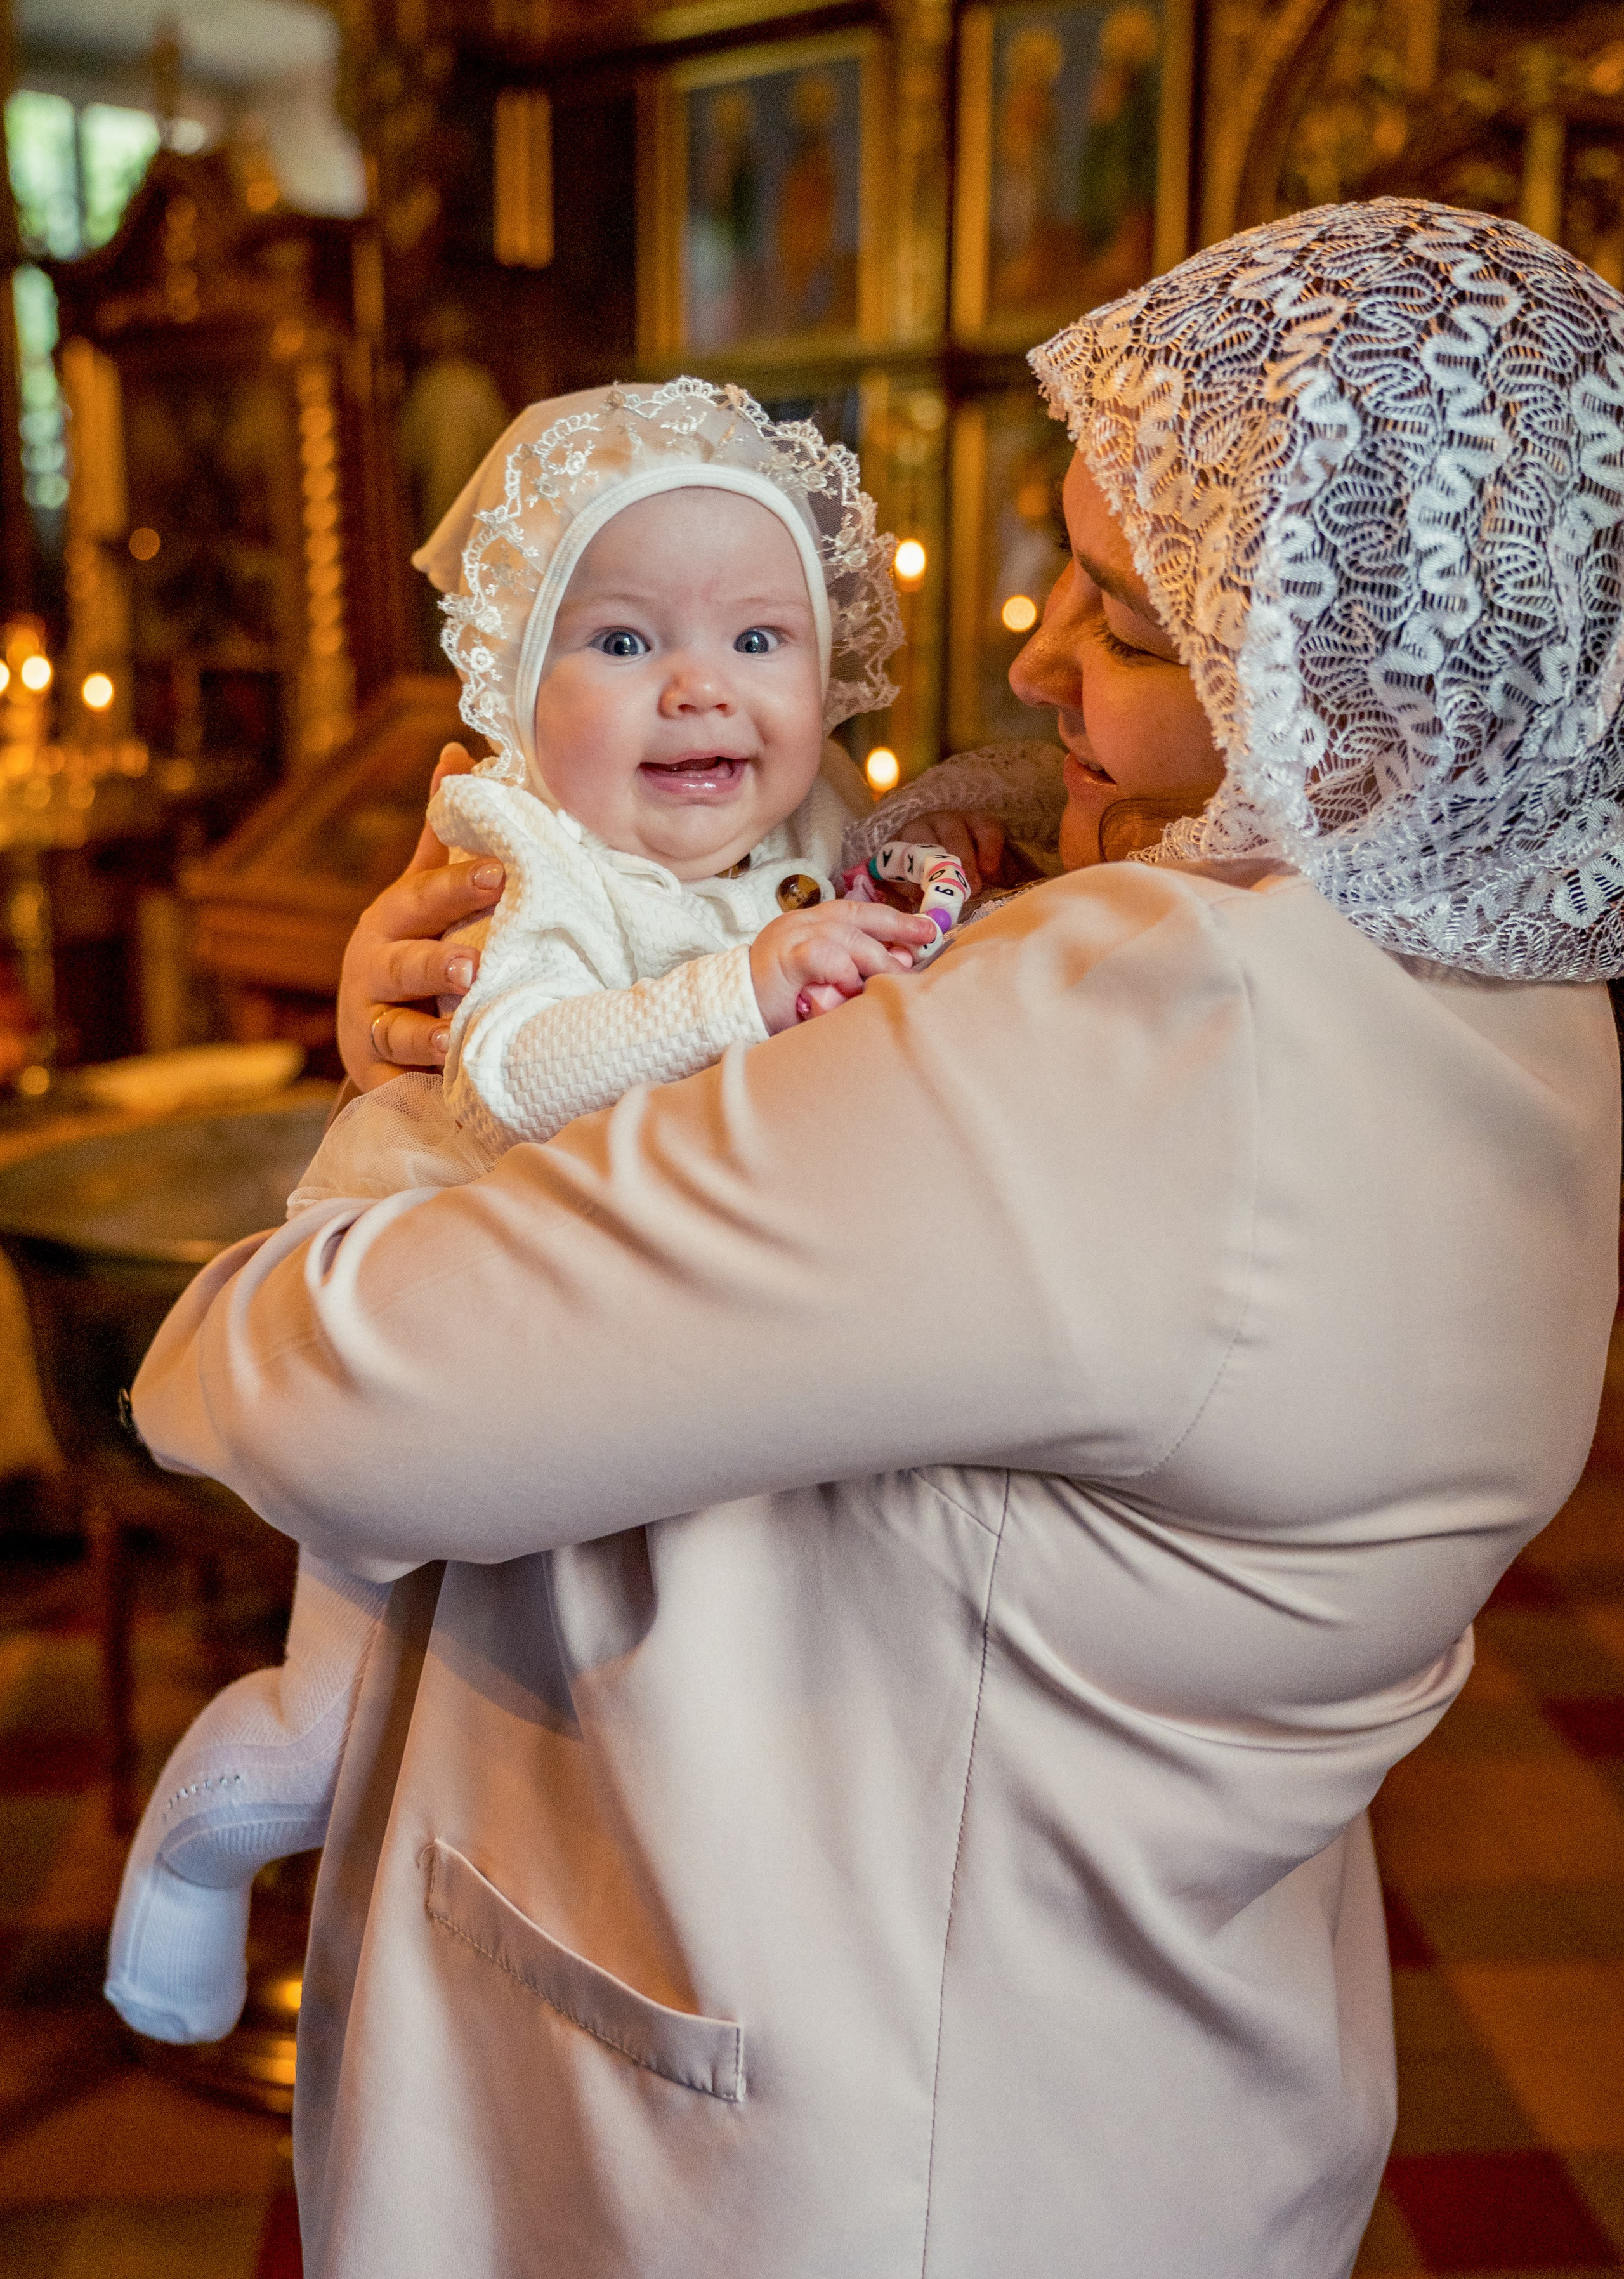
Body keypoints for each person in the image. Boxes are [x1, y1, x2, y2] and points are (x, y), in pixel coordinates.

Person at [129, 201, 1622, 2278]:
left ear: (1330, 681)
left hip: (874, 2162)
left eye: (1116, 613)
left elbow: (322, 1387)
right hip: (1167, 2087)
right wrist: (556, 943)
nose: (1029, 656)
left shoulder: (1168, 1029)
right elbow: (979, 937)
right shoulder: (1504, 971)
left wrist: (409, 1119)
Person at [105, 378, 1054, 2049]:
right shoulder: (517, 845)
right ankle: (191, 1857)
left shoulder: (809, 810)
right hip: (432, 1281)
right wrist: (747, 990)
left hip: (626, 1337)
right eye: (621, 644)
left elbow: (889, 877)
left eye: (762, 641)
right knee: (337, 1729)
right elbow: (531, 1072)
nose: (702, 686)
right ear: (514, 683)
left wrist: (951, 848)